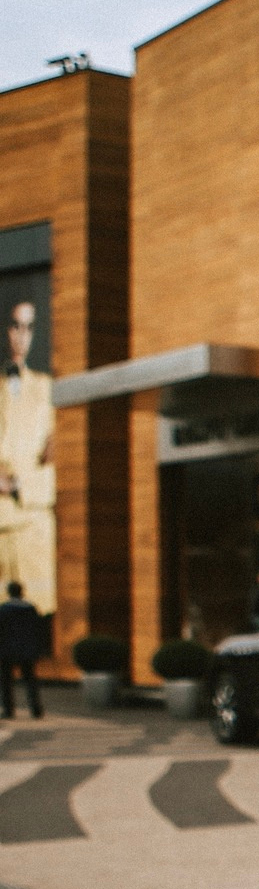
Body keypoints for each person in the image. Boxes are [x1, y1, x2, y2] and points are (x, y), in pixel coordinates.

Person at [0, 300, 58, 617]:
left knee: (37, 609)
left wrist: (22, 483)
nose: (21, 336)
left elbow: (54, 451)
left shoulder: (48, 389)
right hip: (1, 520)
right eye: (15, 326)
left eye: (29, 328)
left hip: (33, 517)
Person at [0, 579, 44, 718]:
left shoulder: (4, 609)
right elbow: (39, 630)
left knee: (6, 681)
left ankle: (9, 710)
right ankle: (36, 708)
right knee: (30, 680)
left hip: (7, 649)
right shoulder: (30, 608)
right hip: (27, 649)